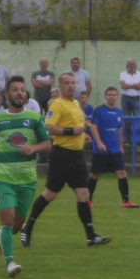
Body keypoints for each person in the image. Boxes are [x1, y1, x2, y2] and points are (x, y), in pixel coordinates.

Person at [20, 72, 112, 248]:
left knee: (83, 195)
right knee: (51, 194)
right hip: (61, 155)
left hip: (77, 156)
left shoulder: (76, 103)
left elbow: (78, 125)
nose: (71, 85)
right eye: (67, 83)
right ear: (61, 86)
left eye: (73, 83)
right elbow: (48, 126)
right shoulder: (57, 104)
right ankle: (27, 227)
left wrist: (83, 135)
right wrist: (71, 132)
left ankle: (91, 236)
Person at [0, 76, 52, 278]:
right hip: (3, 178)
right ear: (7, 95)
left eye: (22, 90)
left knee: (16, 225)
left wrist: (33, 147)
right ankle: (10, 263)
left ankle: (2, 235)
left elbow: (48, 144)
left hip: (27, 180)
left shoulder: (34, 118)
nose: (19, 93)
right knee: (8, 221)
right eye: (15, 90)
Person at [87, 86, 140, 209]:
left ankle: (126, 201)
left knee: (122, 173)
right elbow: (93, 127)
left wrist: (120, 146)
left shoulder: (119, 112)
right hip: (101, 150)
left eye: (114, 95)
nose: (111, 97)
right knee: (95, 174)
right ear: (105, 96)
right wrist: (99, 142)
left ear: (117, 97)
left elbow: (119, 129)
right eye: (109, 95)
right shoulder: (99, 110)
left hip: (115, 149)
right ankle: (88, 200)